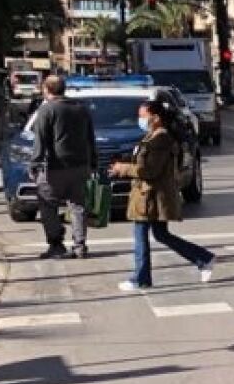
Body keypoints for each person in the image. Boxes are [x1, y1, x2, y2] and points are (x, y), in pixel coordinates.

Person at [110, 96, 215, 291]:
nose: (141, 120)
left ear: (156, 117)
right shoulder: (153, 136)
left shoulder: (160, 139)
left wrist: (122, 168)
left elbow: (148, 171)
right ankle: (203, 258)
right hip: (149, 194)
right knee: (161, 234)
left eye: (143, 116)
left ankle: (140, 278)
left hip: (150, 196)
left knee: (141, 236)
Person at [27, 75, 97, 260]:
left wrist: (34, 163)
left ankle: (56, 243)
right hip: (80, 165)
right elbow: (90, 138)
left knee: (47, 204)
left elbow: (40, 140)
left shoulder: (47, 109)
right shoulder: (81, 109)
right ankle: (80, 245)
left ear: (46, 89)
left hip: (55, 167)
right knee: (77, 206)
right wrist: (93, 163)